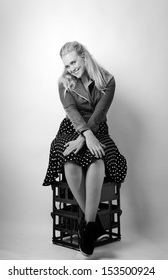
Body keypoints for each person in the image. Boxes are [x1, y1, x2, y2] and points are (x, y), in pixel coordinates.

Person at [43, 41, 127, 256]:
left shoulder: (108, 80)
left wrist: (87, 138)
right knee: (69, 161)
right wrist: (83, 136)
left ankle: (88, 226)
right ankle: (94, 224)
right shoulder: (64, 81)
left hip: (98, 128)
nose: (71, 68)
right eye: (67, 65)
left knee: (98, 159)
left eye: (73, 62)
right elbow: (71, 111)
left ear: (84, 56)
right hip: (72, 127)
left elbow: (99, 114)